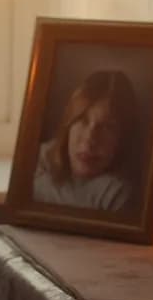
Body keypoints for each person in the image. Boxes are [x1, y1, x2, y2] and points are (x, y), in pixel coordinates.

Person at [33, 69, 140, 213]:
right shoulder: (38, 159)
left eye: (107, 127)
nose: (90, 138)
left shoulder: (117, 194)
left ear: (122, 138)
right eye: (82, 120)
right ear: (69, 124)